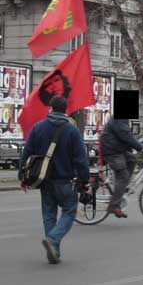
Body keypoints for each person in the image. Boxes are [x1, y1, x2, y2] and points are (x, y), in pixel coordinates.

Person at [18, 96, 89, 265]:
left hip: (44, 180)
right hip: (65, 180)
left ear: (50, 108)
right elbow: (81, 159)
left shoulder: (38, 127)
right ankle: (53, 240)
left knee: (49, 214)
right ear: (66, 110)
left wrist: (22, 176)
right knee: (69, 212)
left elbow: (26, 152)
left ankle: (54, 249)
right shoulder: (72, 131)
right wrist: (84, 180)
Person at [100, 116, 143, 218]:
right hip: (112, 151)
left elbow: (128, 136)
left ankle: (122, 187)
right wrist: (141, 148)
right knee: (123, 176)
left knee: (132, 159)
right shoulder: (119, 118)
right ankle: (114, 206)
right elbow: (125, 135)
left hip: (117, 149)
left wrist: (138, 146)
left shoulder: (123, 118)